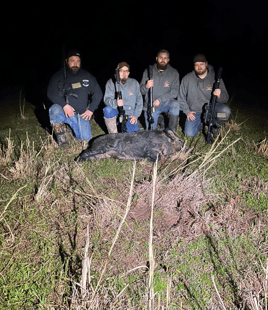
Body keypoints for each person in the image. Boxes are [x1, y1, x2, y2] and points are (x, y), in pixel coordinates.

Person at [47, 49, 103, 147]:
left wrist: (90, 110)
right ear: (66, 61)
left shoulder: (87, 75)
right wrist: (64, 105)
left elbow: (98, 93)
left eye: (78, 61)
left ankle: (69, 129)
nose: (75, 64)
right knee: (54, 109)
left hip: (80, 114)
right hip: (64, 112)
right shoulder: (58, 76)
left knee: (85, 139)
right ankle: (62, 139)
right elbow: (50, 93)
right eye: (72, 61)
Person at [179, 54, 231, 137]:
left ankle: (216, 125)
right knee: (189, 134)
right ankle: (201, 124)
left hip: (211, 110)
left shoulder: (216, 78)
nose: (199, 67)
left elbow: (225, 98)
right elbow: (180, 98)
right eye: (196, 65)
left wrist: (220, 95)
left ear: (206, 64)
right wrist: (187, 111)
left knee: (225, 112)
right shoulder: (187, 79)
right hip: (195, 112)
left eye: (201, 64)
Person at [140, 49, 180, 132]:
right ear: (156, 58)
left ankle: (172, 132)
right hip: (151, 105)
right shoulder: (148, 71)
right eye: (161, 57)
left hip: (165, 102)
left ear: (168, 60)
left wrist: (160, 100)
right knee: (150, 132)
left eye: (165, 58)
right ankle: (160, 119)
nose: (163, 60)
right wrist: (146, 86)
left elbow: (175, 92)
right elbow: (141, 91)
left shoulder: (174, 73)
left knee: (175, 104)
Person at [103, 62, 143, 133]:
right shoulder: (110, 82)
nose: (124, 73)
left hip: (129, 115)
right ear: (117, 71)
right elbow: (106, 99)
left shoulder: (134, 83)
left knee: (135, 136)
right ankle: (113, 134)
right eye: (121, 71)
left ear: (129, 73)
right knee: (107, 109)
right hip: (116, 113)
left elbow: (139, 100)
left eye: (126, 71)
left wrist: (135, 115)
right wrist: (116, 103)